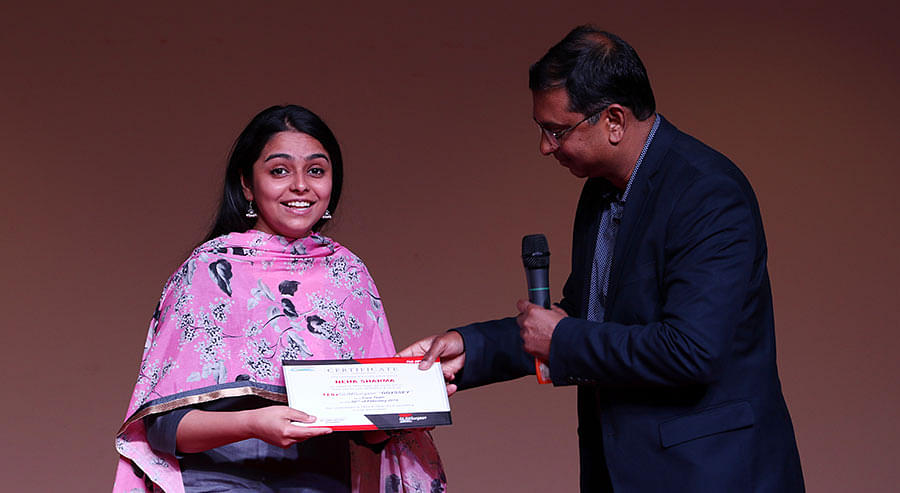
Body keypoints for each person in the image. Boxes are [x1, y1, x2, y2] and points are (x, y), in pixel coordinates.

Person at [401, 26, 804, 492]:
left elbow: (691, 350)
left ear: (614, 120)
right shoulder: (601, 190)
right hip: (619, 472)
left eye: (557, 131)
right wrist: (471, 348)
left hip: (711, 474)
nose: (545, 147)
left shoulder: (707, 193)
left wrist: (562, 338)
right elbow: (583, 317)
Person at [113, 105, 446, 493]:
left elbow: (369, 435)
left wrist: (411, 399)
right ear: (247, 185)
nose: (301, 186)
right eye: (279, 171)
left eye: (316, 171)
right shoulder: (209, 271)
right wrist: (253, 424)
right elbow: (162, 428)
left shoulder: (349, 274)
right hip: (219, 484)